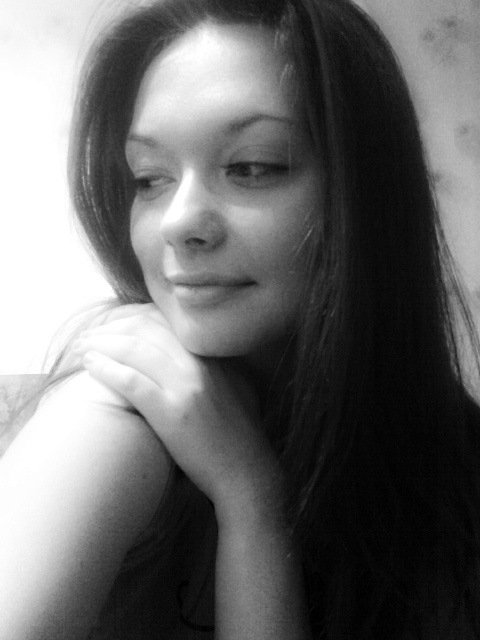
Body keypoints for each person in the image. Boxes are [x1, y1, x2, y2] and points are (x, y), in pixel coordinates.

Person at [1, 0, 479, 638]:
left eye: (253, 167)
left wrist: (250, 494)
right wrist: (251, 496)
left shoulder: (450, 466)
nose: (178, 222)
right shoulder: (112, 419)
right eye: (149, 178)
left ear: (365, 195)